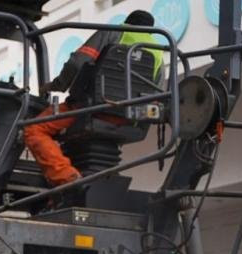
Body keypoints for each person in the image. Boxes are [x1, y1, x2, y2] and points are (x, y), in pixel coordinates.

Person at [24, 10, 161, 187]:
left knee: (34, 129)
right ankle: (101, 171)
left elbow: (77, 63)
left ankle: (66, 176)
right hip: (127, 117)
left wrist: (55, 86)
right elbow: (156, 92)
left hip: (90, 109)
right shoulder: (158, 50)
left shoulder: (113, 32)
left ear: (126, 22)